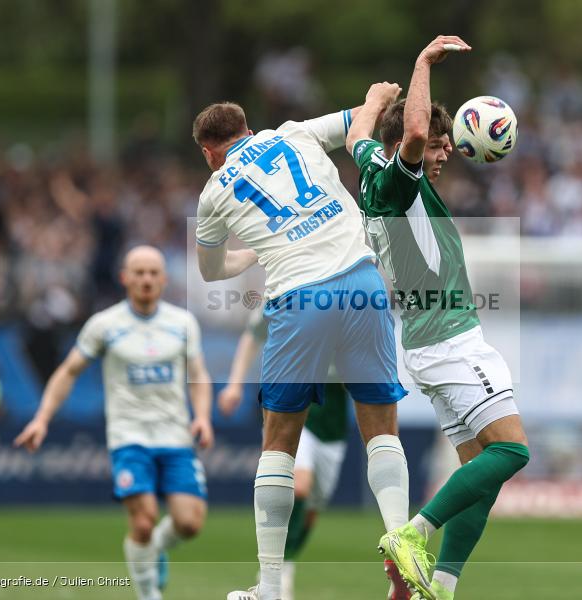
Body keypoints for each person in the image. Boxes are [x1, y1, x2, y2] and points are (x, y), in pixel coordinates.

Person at [192, 88, 411, 600]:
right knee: (381, 429)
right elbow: (362, 118)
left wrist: (248, 257)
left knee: (279, 442)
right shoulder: (295, 132)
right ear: (247, 128)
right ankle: (404, 555)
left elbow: (209, 271)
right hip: (363, 283)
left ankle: (269, 587)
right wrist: (378, 96)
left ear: (208, 152)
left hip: (299, 298)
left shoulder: (213, 194)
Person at [346, 36, 530, 600]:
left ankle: (442, 586)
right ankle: (413, 534)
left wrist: (374, 102)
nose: (444, 151)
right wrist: (422, 64)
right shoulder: (402, 182)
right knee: (512, 452)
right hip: (449, 338)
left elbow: (356, 136)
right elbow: (417, 133)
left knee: (480, 470)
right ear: (406, 144)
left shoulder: (372, 169)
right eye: (439, 144)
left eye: (451, 143)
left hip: (427, 341)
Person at [14, 246, 214, 600]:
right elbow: (68, 371)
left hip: (175, 435)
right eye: (139, 272)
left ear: (164, 279)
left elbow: (198, 375)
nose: (146, 279)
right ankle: (149, 595)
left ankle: (156, 549)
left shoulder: (182, 324)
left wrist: (202, 416)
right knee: (142, 520)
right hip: (129, 436)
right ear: (124, 278)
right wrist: (41, 419)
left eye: (153, 272)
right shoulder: (105, 325)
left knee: (189, 523)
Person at [219, 309, 350, 600]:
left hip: (333, 423)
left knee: (313, 510)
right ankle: (275, 577)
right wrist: (234, 384)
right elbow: (253, 335)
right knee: (299, 486)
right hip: (293, 410)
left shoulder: (348, 299)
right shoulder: (284, 287)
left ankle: (285, 563)